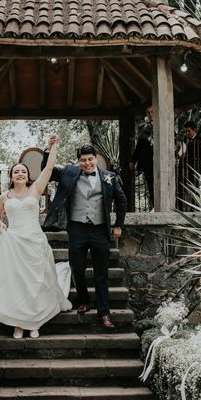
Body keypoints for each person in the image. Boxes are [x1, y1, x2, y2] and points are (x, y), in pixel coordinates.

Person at [0, 134, 72, 339]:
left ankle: (34, 322)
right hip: (13, 242)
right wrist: (2, 224)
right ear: (11, 176)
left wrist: (53, 146)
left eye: (23, 171)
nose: (20, 174)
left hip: (34, 241)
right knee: (17, 283)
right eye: (16, 172)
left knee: (36, 282)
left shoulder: (35, 189)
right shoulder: (5, 196)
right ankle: (18, 323)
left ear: (27, 175)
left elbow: (49, 169)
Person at [41, 139, 127, 329]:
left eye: (90, 159)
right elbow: (46, 171)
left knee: (101, 273)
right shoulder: (69, 172)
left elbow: (121, 201)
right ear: (78, 160)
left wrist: (118, 225)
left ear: (96, 159)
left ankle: (104, 313)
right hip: (77, 228)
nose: (87, 163)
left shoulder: (110, 177)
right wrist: (49, 149)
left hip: (100, 229)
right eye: (83, 160)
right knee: (77, 268)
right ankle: (84, 300)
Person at [129, 106, 154, 209]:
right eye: (148, 112)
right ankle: (155, 207)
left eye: (152, 111)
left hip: (164, 162)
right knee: (151, 186)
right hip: (148, 162)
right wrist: (133, 160)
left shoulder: (166, 124)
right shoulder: (143, 128)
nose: (150, 114)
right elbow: (139, 146)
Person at [176, 121, 201, 210]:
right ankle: (180, 207)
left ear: (194, 130)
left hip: (194, 168)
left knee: (194, 188)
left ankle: (195, 207)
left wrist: (187, 155)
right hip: (184, 168)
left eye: (189, 131)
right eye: (186, 131)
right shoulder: (185, 140)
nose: (187, 133)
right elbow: (182, 150)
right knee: (181, 187)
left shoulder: (200, 140)